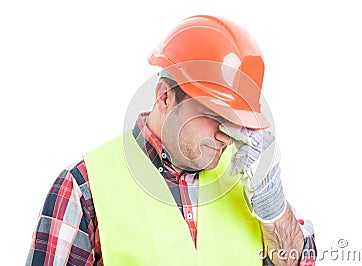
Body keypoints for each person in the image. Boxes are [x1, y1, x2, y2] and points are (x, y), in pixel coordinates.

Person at [26, 15, 316, 265]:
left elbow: (295, 261)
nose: (226, 135)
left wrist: (274, 211)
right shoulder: (84, 187)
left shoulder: (248, 178)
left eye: (236, 120)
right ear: (165, 96)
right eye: (214, 114)